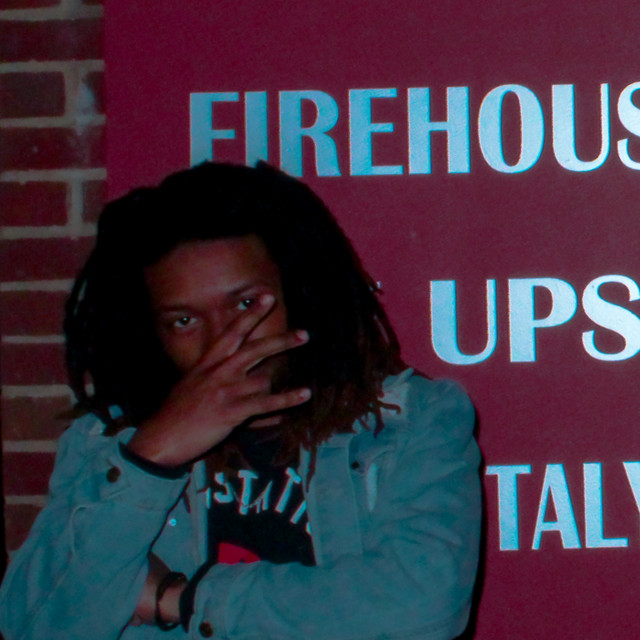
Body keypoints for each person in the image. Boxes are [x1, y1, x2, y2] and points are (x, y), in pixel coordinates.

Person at [0, 161, 481, 639]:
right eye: (184, 321)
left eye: (248, 303)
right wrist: (150, 460)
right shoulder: (110, 442)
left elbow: (423, 609)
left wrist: (183, 600)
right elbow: (32, 628)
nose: (224, 340)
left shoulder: (407, 423)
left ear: (300, 293)